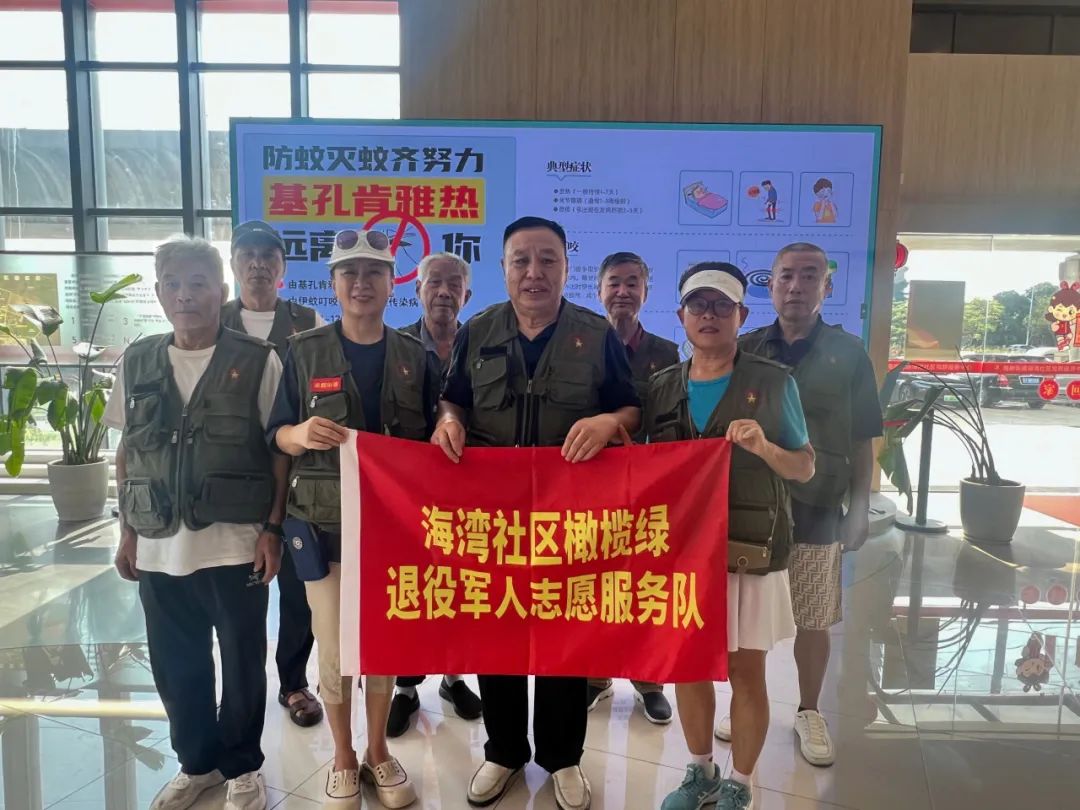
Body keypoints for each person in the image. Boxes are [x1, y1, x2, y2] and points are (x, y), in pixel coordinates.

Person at [433, 216, 640, 810]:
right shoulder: (478, 331)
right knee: (497, 630)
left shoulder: (595, 334)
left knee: (564, 637)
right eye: (521, 260)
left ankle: (563, 757)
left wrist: (608, 421)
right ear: (503, 269)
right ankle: (502, 751)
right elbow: (454, 399)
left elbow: (630, 409)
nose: (534, 272)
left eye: (547, 259)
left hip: (569, 520)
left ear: (566, 268)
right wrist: (449, 422)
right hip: (494, 519)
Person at [107, 235, 285, 810]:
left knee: (242, 662)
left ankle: (242, 766)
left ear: (221, 291)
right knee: (175, 663)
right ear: (160, 293)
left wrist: (273, 530)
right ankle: (197, 763)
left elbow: (279, 452)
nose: (185, 295)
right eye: (173, 284)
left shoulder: (257, 360)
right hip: (158, 543)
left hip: (234, 543)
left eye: (198, 283)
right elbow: (127, 452)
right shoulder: (138, 360)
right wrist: (127, 530)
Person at [269, 228, 434, 809]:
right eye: (349, 273)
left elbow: (432, 440)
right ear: (334, 283)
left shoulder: (415, 356)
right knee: (336, 649)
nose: (361, 283)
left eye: (373, 272)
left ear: (392, 282)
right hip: (323, 527)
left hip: (392, 528)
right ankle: (343, 755)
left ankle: (378, 752)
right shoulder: (303, 351)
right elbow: (275, 434)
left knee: (383, 646)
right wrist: (298, 433)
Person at [649, 262, 815, 810]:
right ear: (681, 316)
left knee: (746, 672)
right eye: (699, 305)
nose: (710, 315)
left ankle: (740, 784)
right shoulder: (662, 387)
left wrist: (765, 447)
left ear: (741, 315)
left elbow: (804, 467)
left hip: (749, 551)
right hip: (681, 554)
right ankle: (700, 772)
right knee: (689, 665)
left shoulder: (773, 382)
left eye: (722, 305)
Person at [730, 242, 883, 767]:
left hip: (818, 505)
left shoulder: (849, 354)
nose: (796, 286)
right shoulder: (745, 348)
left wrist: (859, 508)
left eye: (810, 276)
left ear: (827, 286)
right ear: (770, 285)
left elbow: (863, 439)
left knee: (814, 615)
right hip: (752, 509)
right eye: (787, 276)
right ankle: (745, 703)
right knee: (745, 616)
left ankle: (809, 710)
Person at [221, 219, 325, 730]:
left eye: (268, 256)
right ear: (234, 264)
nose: (258, 264)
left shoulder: (306, 321)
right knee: (237, 594)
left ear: (282, 266)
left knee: (299, 590)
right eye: (248, 255)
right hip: (232, 478)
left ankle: (294, 682)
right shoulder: (215, 321)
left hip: (298, 479)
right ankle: (238, 691)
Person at [389, 250, 482, 738]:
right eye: (434, 283)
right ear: (417, 290)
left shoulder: (482, 344)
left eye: (454, 284)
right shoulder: (396, 346)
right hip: (408, 498)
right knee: (411, 589)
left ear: (467, 294)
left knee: (461, 591)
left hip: (470, 495)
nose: (444, 292)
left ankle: (453, 678)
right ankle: (406, 688)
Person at [586, 250, 679, 725]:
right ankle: (596, 676)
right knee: (593, 584)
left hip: (646, 492)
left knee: (643, 586)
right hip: (588, 489)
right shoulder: (581, 343)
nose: (622, 292)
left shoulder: (665, 353)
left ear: (646, 291)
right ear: (599, 289)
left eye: (632, 283)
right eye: (614, 283)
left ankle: (649, 681)